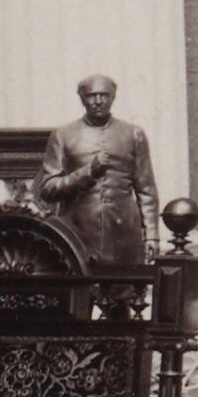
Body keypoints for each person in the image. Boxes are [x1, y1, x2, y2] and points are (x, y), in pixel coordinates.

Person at [34, 74, 159, 270]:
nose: (99, 101)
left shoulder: (134, 134)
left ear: (113, 97)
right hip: (77, 233)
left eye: (104, 95)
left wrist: (152, 236)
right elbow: (48, 189)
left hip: (124, 234)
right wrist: (88, 172)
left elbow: (146, 189)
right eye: (92, 96)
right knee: (79, 286)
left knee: (127, 287)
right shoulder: (63, 135)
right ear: (81, 98)